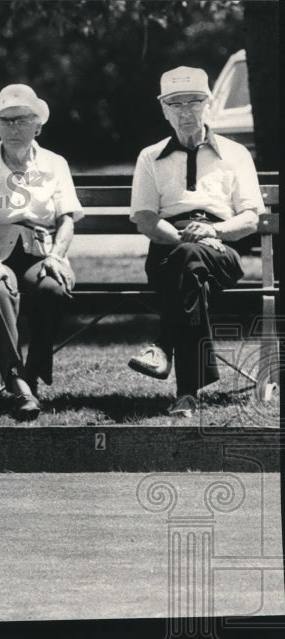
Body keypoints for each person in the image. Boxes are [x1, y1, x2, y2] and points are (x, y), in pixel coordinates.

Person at [127, 66, 262, 418]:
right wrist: (183, 238)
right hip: (167, 249)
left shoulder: (235, 154)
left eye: (194, 102)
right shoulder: (149, 156)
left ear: (209, 105)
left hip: (222, 251)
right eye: (176, 104)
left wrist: (215, 233)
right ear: (163, 109)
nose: (186, 112)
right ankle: (186, 392)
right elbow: (145, 218)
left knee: (191, 263)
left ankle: (162, 348)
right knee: (189, 266)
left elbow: (250, 217)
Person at [0, 84, 83, 420]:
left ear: (37, 126)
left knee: (51, 289)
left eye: (22, 121)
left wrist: (56, 257)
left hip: (41, 251)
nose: (14, 128)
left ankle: (31, 373)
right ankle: (17, 383)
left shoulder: (55, 164)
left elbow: (66, 219)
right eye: (6, 121)